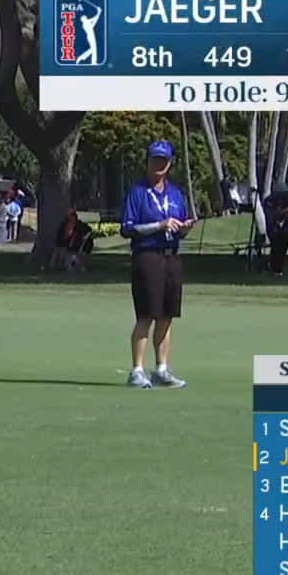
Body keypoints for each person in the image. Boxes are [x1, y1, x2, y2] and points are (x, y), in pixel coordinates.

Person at [120, 139, 193, 389]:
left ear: (169, 164)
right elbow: (127, 228)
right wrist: (158, 226)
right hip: (147, 257)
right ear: (147, 162)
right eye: (154, 160)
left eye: (162, 161)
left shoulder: (175, 194)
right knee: (147, 315)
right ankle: (137, 370)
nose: (157, 165)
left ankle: (162, 368)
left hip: (171, 257)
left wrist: (184, 229)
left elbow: (179, 224)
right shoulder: (137, 192)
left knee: (166, 315)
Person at [263, 186, 288, 276]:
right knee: (276, 248)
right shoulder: (270, 201)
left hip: (285, 230)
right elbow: (272, 213)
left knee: (282, 250)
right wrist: (282, 212)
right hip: (274, 229)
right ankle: (274, 268)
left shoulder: (287, 202)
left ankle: (278, 267)